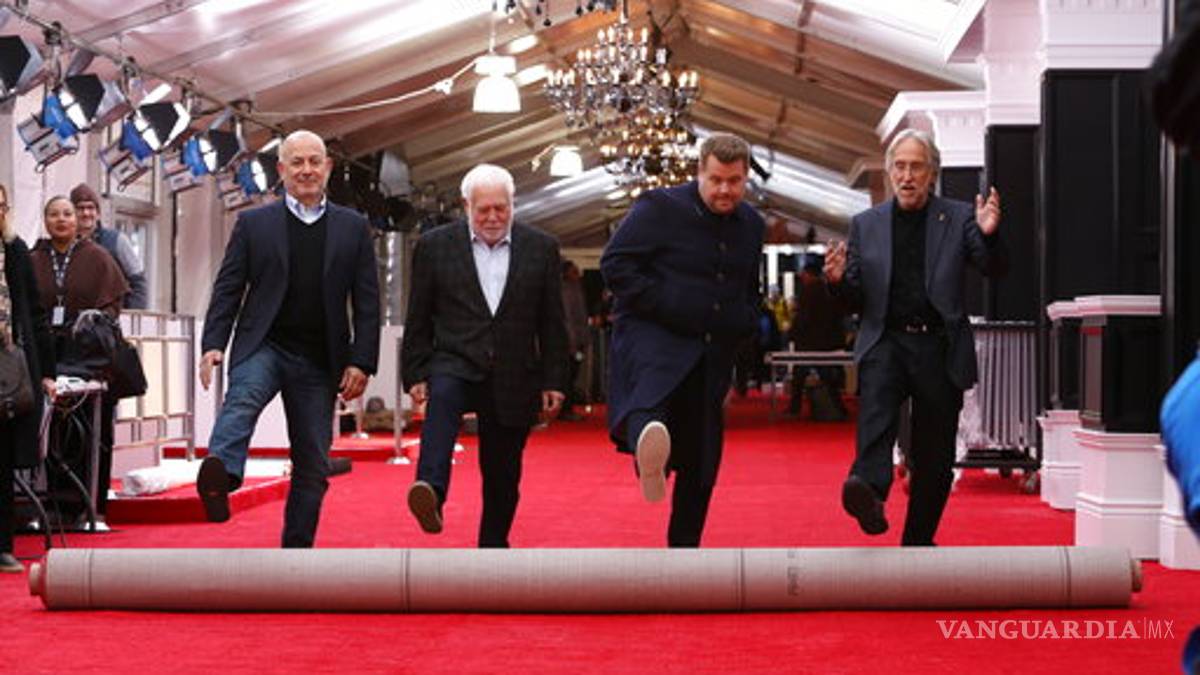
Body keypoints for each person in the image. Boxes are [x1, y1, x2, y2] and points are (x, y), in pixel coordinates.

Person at [196, 129, 381, 548]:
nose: (306, 170)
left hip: (319, 357)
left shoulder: (353, 227)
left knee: (313, 461)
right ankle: (221, 476)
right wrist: (213, 344)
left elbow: (368, 301)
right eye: (297, 162)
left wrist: (362, 361)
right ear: (281, 170)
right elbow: (228, 288)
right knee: (241, 401)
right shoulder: (254, 224)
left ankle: (296, 552)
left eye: (314, 161)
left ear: (328, 167)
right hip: (264, 344)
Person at [824, 128, 1007, 546]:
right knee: (875, 423)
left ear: (932, 174)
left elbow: (993, 268)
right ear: (890, 172)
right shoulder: (866, 224)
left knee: (934, 453)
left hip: (938, 345)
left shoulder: (959, 217)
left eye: (917, 167)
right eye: (900, 167)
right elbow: (855, 297)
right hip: (885, 341)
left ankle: (918, 541)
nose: (907, 176)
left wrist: (989, 234)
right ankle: (868, 494)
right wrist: (837, 280)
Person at [601, 132, 765, 547]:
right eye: (716, 180)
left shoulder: (751, 224)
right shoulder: (660, 207)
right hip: (653, 335)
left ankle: (685, 553)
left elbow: (750, 286)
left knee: (701, 460)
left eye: (734, 181)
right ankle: (649, 456)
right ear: (699, 173)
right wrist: (665, 303)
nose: (725, 190)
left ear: (746, 177)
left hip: (712, 352)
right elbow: (615, 264)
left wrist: (744, 319)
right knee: (649, 405)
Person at [401, 163, 567, 548]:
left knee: (503, 469)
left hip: (514, 369)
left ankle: (493, 547)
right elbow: (419, 314)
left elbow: (552, 321)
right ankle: (430, 491)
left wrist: (555, 380)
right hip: (454, 357)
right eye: (483, 210)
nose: (493, 217)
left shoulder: (541, 248)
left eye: (501, 208)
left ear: (513, 204)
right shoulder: (435, 246)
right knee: (442, 404)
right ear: (466, 206)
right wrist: (415, 372)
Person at [30, 196, 128, 525]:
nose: (61, 220)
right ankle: (51, 507)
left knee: (92, 428)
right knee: (50, 430)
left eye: (67, 214)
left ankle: (91, 506)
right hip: (45, 353)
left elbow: (113, 306)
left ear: (77, 220)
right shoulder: (33, 258)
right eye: (54, 214)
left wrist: (89, 328)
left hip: (87, 356)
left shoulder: (98, 257)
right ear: (45, 220)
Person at [0, 185, 55, 573]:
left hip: (8, 370)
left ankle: (2, 545)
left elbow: (35, 314)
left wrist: (47, 372)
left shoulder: (15, 250)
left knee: (2, 460)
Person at [68, 183, 149, 310]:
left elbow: (138, 283)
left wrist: (130, 314)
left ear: (98, 213)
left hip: (111, 316)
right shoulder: (65, 244)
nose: (86, 213)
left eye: (90, 208)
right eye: (80, 208)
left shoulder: (117, 241)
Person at [788, 258, 848, 420]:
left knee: (799, 376)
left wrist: (792, 333)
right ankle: (838, 407)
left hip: (808, 341)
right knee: (827, 376)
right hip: (826, 341)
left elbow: (803, 317)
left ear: (808, 274)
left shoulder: (808, 291)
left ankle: (795, 407)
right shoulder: (828, 289)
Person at [559, 260, 589, 421]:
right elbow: (568, 319)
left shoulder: (576, 289)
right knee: (567, 376)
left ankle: (567, 408)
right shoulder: (565, 291)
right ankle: (565, 409)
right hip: (570, 342)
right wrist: (573, 342)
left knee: (573, 375)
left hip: (578, 340)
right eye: (574, 271)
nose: (578, 274)